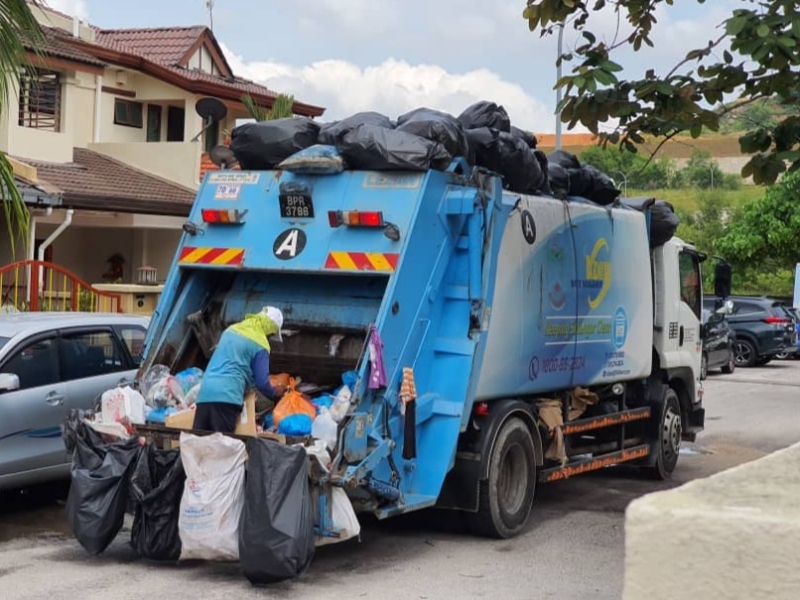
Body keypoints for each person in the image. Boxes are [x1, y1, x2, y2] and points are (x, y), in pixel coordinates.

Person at [192, 306, 287, 433]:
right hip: (226, 397)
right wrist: (276, 392)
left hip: (204, 394)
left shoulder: (231, 330)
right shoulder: (260, 343)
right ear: (270, 329)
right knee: (223, 447)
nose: (270, 337)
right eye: (272, 334)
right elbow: (262, 382)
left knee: (198, 446)